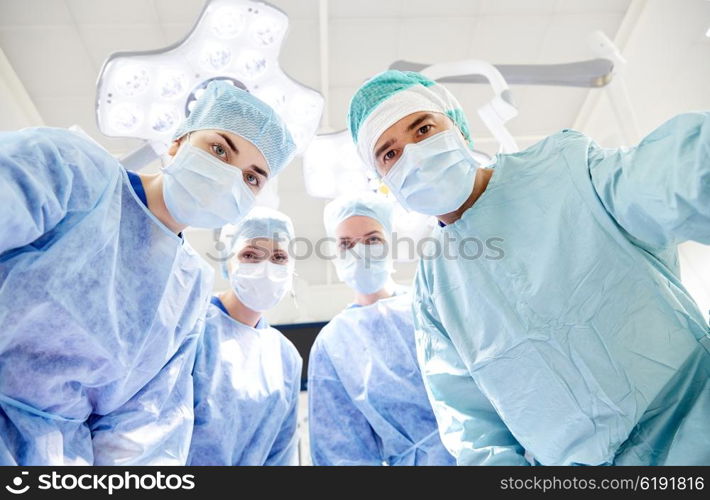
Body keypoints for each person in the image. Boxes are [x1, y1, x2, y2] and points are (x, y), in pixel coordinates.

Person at [347, 70, 710, 466]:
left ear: (459, 130)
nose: (413, 154)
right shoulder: (434, 290)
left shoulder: (565, 169)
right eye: (390, 153)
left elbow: (671, 177)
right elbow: (474, 432)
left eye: (423, 128)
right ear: (384, 182)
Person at [0, 81, 295, 465]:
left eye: (252, 178)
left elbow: (143, 427)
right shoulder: (73, 169)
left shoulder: (187, 288)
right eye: (219, 150)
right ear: (177, 143)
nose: (229, 178)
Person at [308, 192, 455, 466]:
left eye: (373, 240)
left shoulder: (431, 306)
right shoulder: (333, 343)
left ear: (391, 245)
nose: (360, 251)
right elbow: (341, 452)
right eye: (346, 243)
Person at [187, 207, 302, 466]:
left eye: (279, 257)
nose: (266, 268)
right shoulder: (192, 331)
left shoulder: (285, 357)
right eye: (250, 255)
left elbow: (280, 453)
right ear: (227, 261)